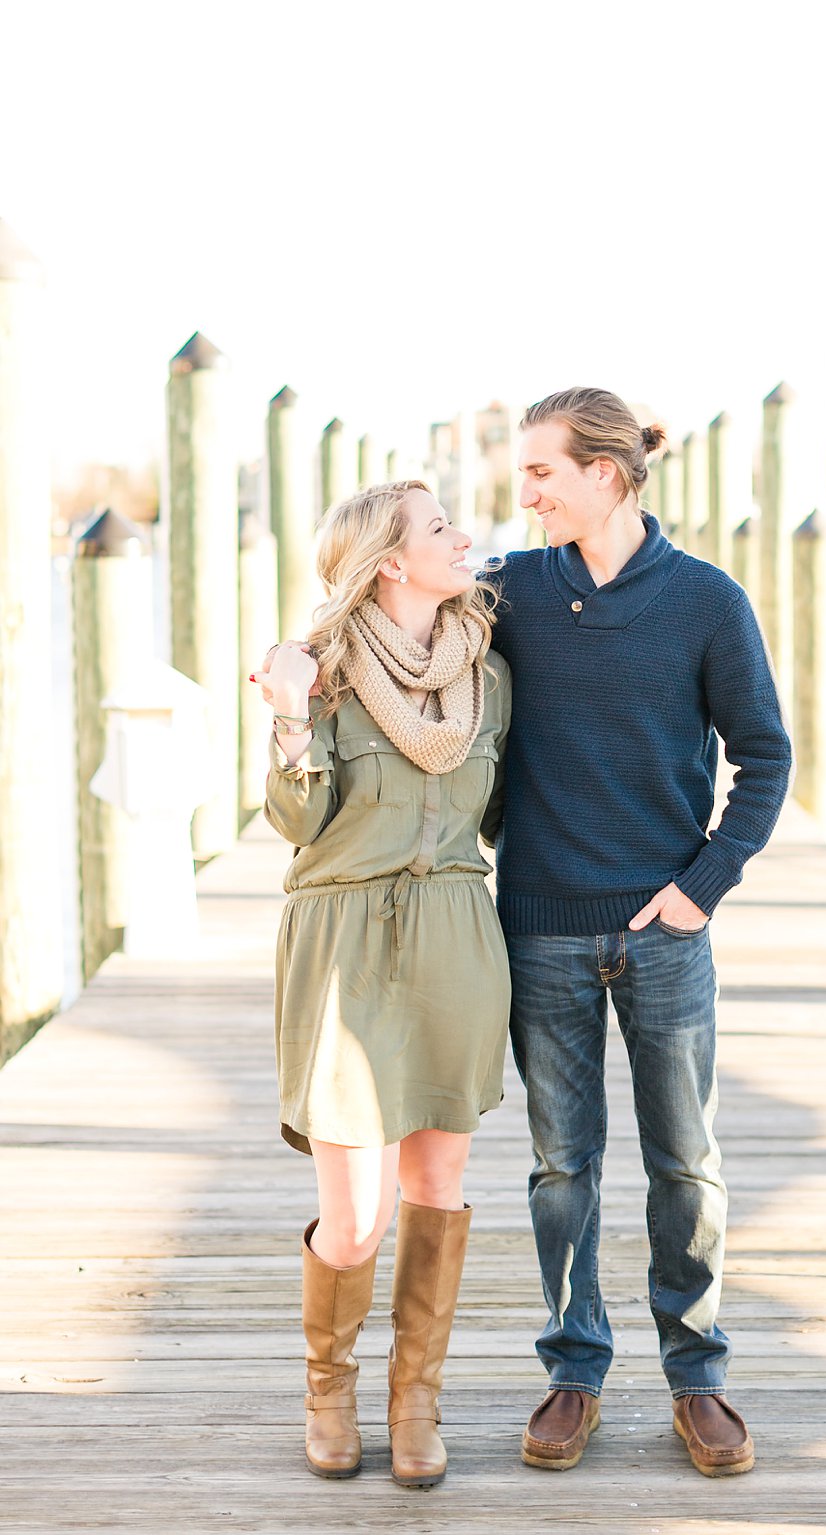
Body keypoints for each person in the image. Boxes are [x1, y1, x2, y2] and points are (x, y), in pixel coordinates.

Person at [486, 388, 789, 1477]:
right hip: (538, 930)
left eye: (539, 472)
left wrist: (703, 885)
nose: (522, 492)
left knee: (686, 1163)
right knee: (560, 1164)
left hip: (663, 931)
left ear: (603, 474)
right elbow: (402, 621)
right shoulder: (507, 591)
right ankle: (575, 1367)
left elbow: (766, 755)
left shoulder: (706, 600)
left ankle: (695, 1373)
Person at [250, 479, 510, 1488]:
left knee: (435, 1184)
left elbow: (505, 815)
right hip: (345, 939)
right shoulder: (317, 669)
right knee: (355, 1212)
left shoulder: (489, 675)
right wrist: (284, 720)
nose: (465, 537)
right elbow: (295, 823)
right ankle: (329, 1385)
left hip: (455, 935)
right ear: (392, 560)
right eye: (443, 528)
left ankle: (415, 1400)